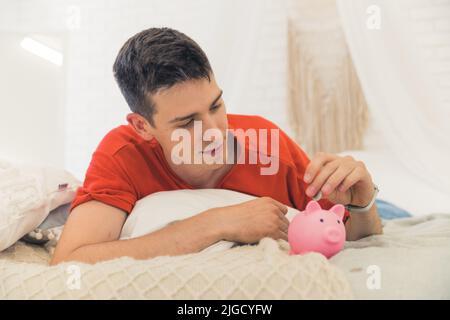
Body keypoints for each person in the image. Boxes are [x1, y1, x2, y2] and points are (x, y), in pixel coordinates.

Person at [50, 27, 382, 265]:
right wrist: (215, 223)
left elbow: (354, 236)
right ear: (143, 127)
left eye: (215, 106)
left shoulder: (269, 146)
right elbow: (71, 259)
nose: (214, 132)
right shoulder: (122, 154)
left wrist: (363, 203)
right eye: (187, 122)